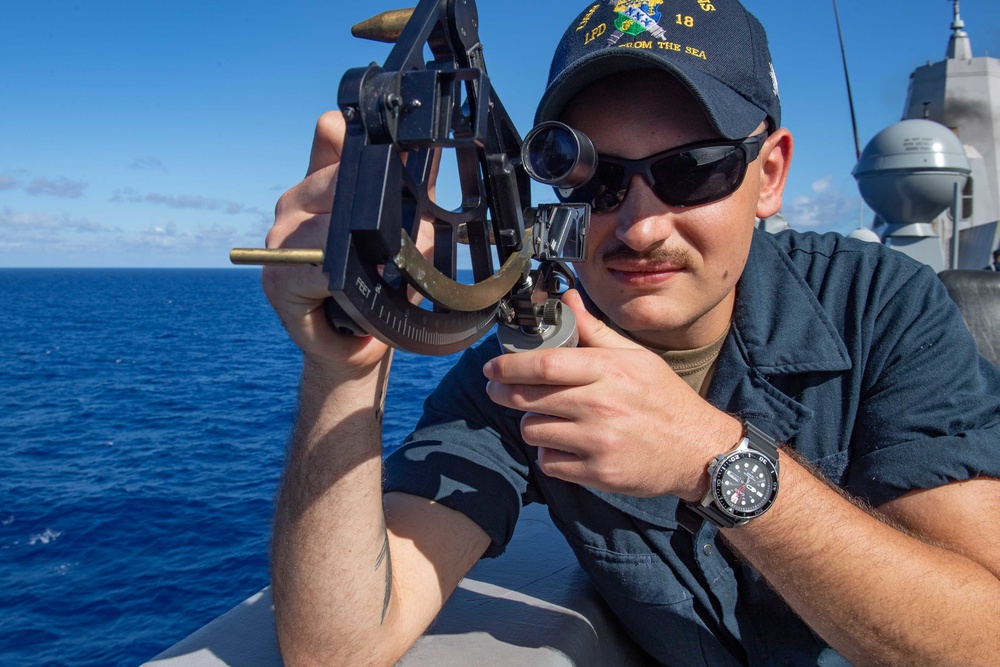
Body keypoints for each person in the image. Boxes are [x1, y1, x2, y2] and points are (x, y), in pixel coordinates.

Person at [262, 1, 1000, 665]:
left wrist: (713, 459)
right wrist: (346, 363)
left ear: (770, 174)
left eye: (692, 170)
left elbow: (981, 638)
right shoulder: (522, 372)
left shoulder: (881, 307)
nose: (640, 228)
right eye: (595, 178)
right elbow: (339, 647)